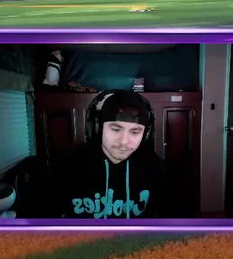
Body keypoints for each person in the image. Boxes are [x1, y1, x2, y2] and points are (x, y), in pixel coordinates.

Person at [53, 90, 166, 219]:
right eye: (116, 129)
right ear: (98, 128)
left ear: (146, 135)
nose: (124, 141)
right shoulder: (68, 164)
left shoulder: (154, 167)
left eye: (135, 132)